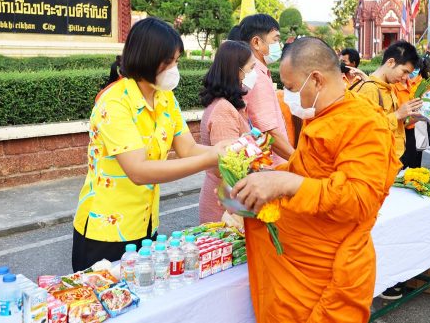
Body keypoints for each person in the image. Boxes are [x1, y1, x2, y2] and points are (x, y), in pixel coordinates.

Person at [232, 37, 401, 322]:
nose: (287, 97)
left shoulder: (363, 122)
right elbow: (305, 172)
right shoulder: (322, 115)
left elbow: (359, 199)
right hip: (294, 261)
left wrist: (285, 184)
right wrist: (261, 180)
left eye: (289, 88)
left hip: (327, 269)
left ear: (317, 80)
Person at [72, 18, 226, 271]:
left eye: (177, 61)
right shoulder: (115, 102)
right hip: (106, 231)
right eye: (170, 62)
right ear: (147, 57)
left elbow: (188, 149)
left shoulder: (165, 98)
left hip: (146, 224)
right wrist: (211, 159)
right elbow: (139, 171)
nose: (175, 69)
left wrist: (229, 151)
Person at [198, 41, 255, 223]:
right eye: (251, 68)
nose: (254, 74)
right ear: (237, 71)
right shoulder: (224, 110)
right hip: (225, 206)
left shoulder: (231, 106)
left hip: (231, 200)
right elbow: (227, 168)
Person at [232, 14, 293, 163]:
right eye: (275, 39)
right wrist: (297, 160)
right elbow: (269, 132)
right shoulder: (257, 77)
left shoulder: (255, 73)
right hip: (270, 166)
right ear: (257, 42)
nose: (278, 45)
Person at [354, 41, 423, 160]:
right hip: (377, 160)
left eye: (409, 74)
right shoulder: (370, 89)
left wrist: (416, 115)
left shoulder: (389, 87)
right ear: (390, 62)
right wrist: (398, 114)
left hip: (391, 157)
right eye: (404, 71)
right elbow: (365, 130)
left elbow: (397, 125)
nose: (405, 78)